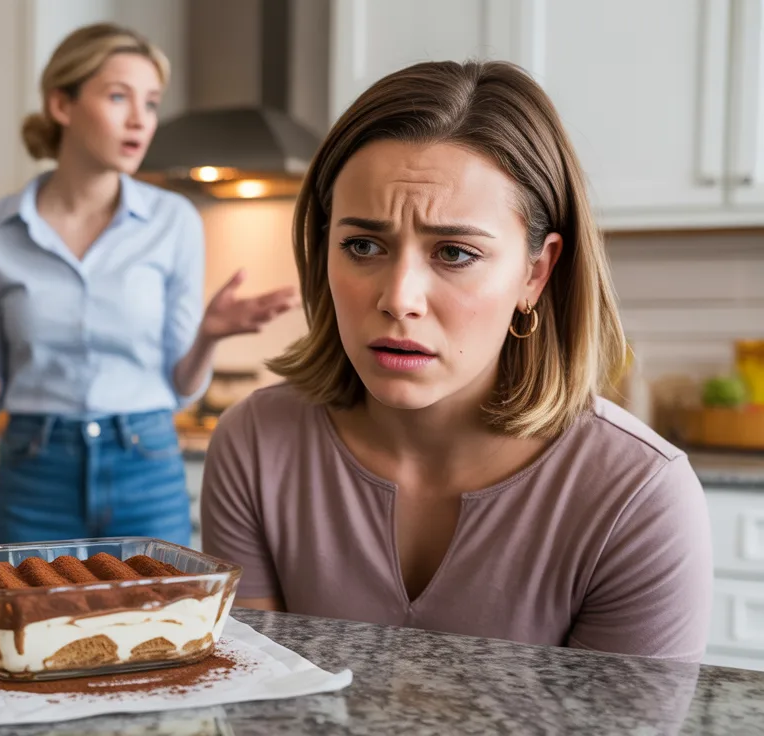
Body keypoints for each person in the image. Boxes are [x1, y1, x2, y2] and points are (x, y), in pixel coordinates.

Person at [200, 59, 713, 662]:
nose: (398, 299)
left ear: (535, 271)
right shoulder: (256, 446)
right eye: (362, 245)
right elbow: (261, 705)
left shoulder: (639, 497)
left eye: (454, 252)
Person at [0, 23, 296, 547]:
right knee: (21, 619)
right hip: (34, 468)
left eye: (151, 103)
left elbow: (182, 386)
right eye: (117, 97)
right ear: (61, 104)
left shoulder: (173, 220)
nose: (140, 120)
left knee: (162, 619)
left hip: (146, 461)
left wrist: (209, 336)